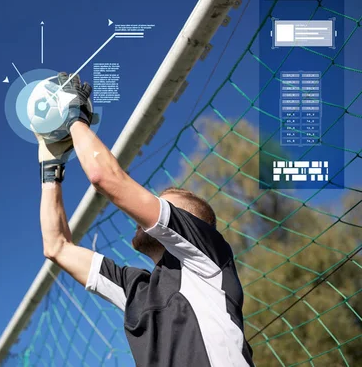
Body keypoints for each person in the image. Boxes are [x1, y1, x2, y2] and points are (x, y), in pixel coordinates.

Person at [35, 72, 254, 367]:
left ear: (189, 221)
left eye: (164, 201)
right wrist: (51, 170)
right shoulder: (135, 289)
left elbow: (104, 178)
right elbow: (56, 247)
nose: (151, 205)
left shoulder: (208, 256)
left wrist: (74, 115)